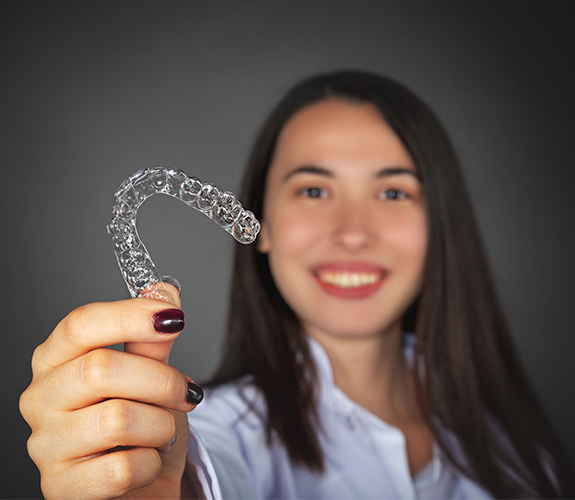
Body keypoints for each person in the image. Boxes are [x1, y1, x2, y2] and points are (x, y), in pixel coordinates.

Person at [20, 71, 574, 499]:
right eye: (313, 191)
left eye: (393, 193)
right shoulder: (216, 433)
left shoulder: (516, 447)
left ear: (441, 223)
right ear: (261, 224)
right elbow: (204, 475)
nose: (352, 233)